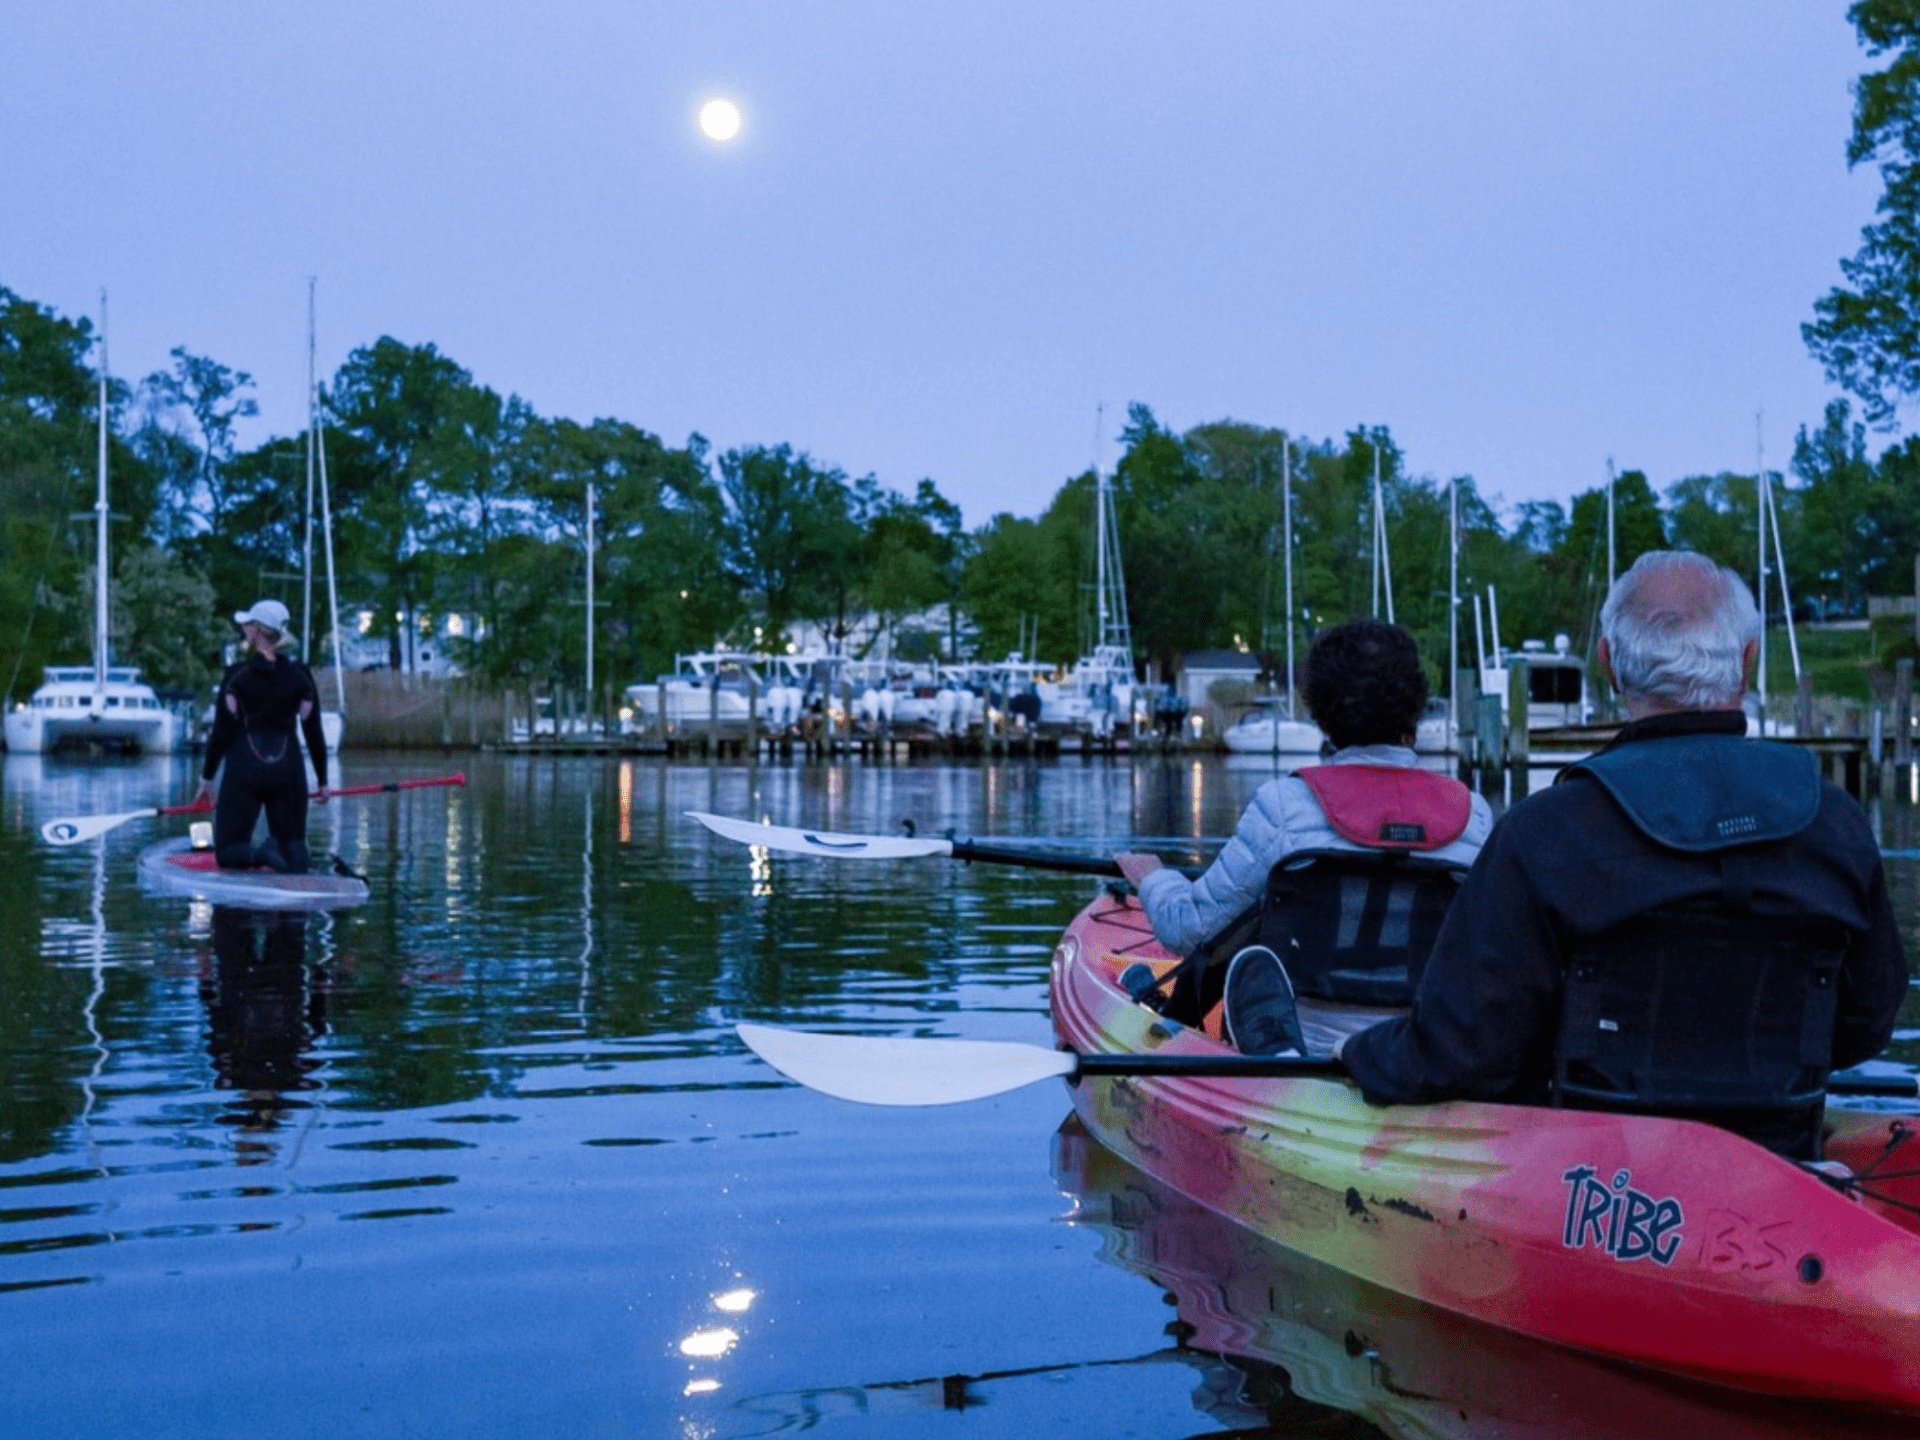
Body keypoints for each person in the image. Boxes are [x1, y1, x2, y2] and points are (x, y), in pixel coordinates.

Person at [1339, 551, 1908, 1157]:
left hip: (1588, 1188)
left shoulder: (1542, 833)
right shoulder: (1837, 827)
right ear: (1748, 662)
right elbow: (1865, 1021)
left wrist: (1357, 1052)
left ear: (1607, 664)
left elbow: (1462, 1052)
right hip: (1778, 1161)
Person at [1116, 619, 1494, 1054]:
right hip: (1421, 1050)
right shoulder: (1474, 816)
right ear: (1416, 703)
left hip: (1308, 1050)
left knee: (1243, 927)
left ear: (1318, 708)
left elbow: (1187, 932)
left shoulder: (1283, 807)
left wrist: (1152, 878)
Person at [193, 599, 329, 873]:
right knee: (294, 844)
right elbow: (313, 730)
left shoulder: (236, 677)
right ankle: (289, 857)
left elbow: (221, 731)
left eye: (247, 625)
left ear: (257, 631)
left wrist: (207, 779)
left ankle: (261, 855)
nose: (243, 629)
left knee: (228, 851)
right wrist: (323, 781)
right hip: (288, 767)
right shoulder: (301, 677)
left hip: (246, 766)